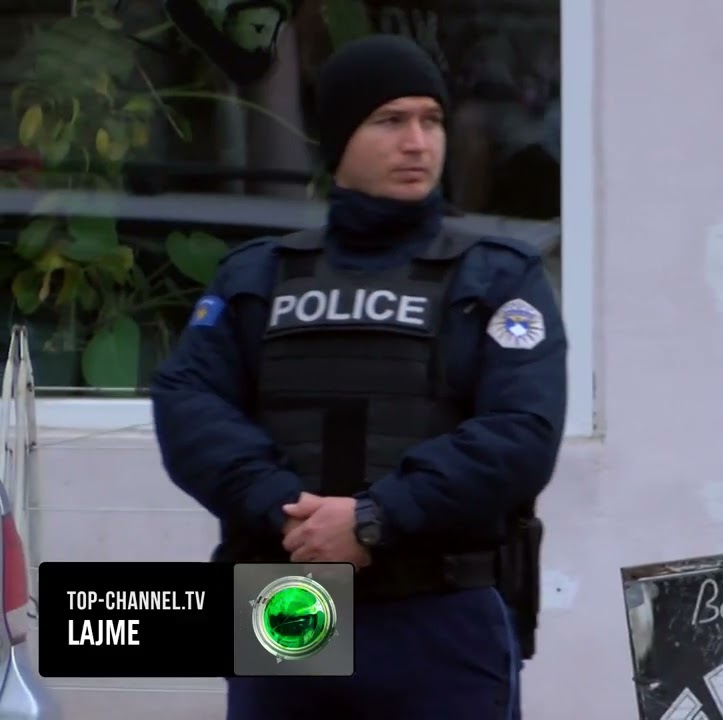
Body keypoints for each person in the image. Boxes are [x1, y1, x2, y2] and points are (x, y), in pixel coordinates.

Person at [150, 34, 566, 719]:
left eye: (431, 120)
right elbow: (188, 406)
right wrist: (288, 510)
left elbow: (521, 433)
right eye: (390, 120)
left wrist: (374, 519)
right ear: (339, 137)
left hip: (440, 608)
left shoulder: (497, 277)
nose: (417, 142)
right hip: (292, 596)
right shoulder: (258, 276)